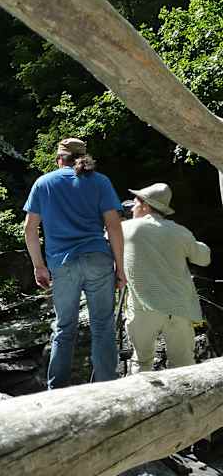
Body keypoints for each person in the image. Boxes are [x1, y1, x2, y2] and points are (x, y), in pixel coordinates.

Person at [23, 138, 124, 389]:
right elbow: (113, 226)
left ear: (59, 159)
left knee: (65, 327)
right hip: (98, 259)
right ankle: (107, 386)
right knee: (103, 325)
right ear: (83, 157)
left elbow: (30, 229)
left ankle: (56, 390)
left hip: (62, 263)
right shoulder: (100, 181)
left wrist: (39, 266)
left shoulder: (43, 183)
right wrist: (120, 268)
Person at [122, 183, 211, 372]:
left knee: (141, 362)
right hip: (179, 307)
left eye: (135, 203)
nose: (132, 208)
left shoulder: (126, 229)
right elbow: (204, 259)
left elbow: (107, 244)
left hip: (143, 307)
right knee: (183, 365)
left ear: (145, 206)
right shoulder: (179, 231)